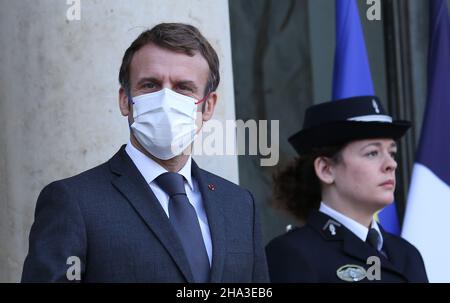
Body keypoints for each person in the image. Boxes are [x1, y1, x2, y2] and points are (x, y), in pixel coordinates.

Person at [22, 23, 269, 283]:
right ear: (125, 100)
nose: (165, 100)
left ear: (208, 106)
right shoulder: (74, 202)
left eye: (184, 87)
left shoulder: (239, 204)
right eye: (150, 85)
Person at [266, 96, 428, 283]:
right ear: (326, 170)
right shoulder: (293, 253)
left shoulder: (407, 254)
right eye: (372, 153)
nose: (391, 164)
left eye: (392, 153)